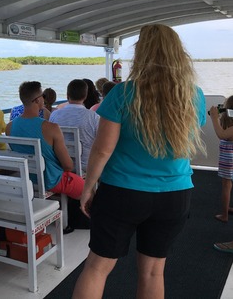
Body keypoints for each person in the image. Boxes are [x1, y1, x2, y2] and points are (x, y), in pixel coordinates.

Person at [72, 24, 207, 299]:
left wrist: (88, 188)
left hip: (122, 192)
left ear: (142, 53)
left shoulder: (122, 93)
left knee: (98, 267)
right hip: (174, 195)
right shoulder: (194, 96)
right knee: (153, 272)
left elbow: (101, 151)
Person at [6, 81, 84, 199]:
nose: (44, 99)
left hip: (27, 177)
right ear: (37, 100)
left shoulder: (10, 127)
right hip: (51, 179)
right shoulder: (51, 128)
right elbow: (68, 165)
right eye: (43, 96)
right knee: (88, 189)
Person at [49, 79, 99, 171]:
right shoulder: (93, 116)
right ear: (85, 96)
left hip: (60, 164)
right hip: (86, 166)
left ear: (67, 95)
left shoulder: (54, 115)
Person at [210, 95, 233, 223]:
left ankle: (224, 215)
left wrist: (214, 118)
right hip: (229, 160)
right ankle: (228, 207)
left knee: (226, 185)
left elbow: (221, 134)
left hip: (229, 161)